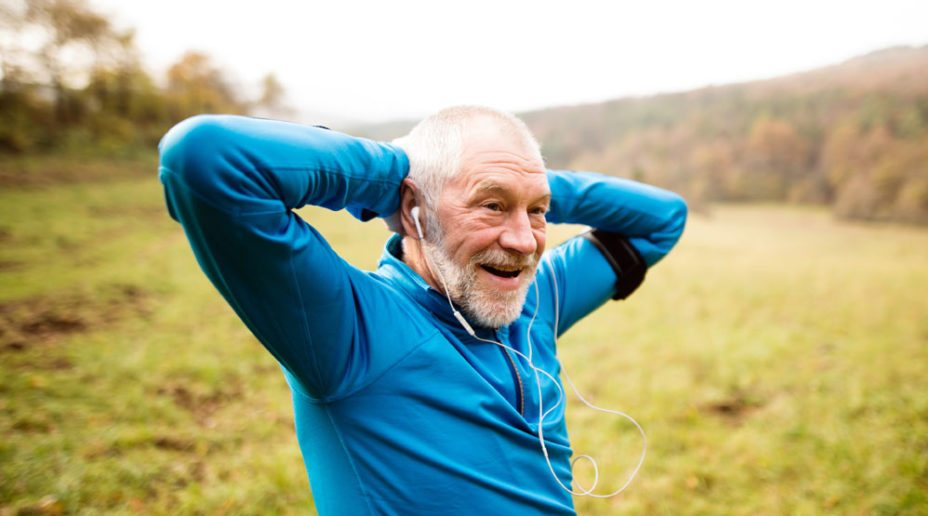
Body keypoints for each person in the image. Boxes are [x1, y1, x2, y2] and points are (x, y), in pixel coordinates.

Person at [157, 106, 687, 515]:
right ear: (413, 211)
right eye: (491, 205)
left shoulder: (533, 301)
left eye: (538, 213)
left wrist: (524, 183)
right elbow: (204, 157)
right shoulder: (353, 329)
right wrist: (400, 179)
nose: (525, 243)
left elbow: (663, 218)